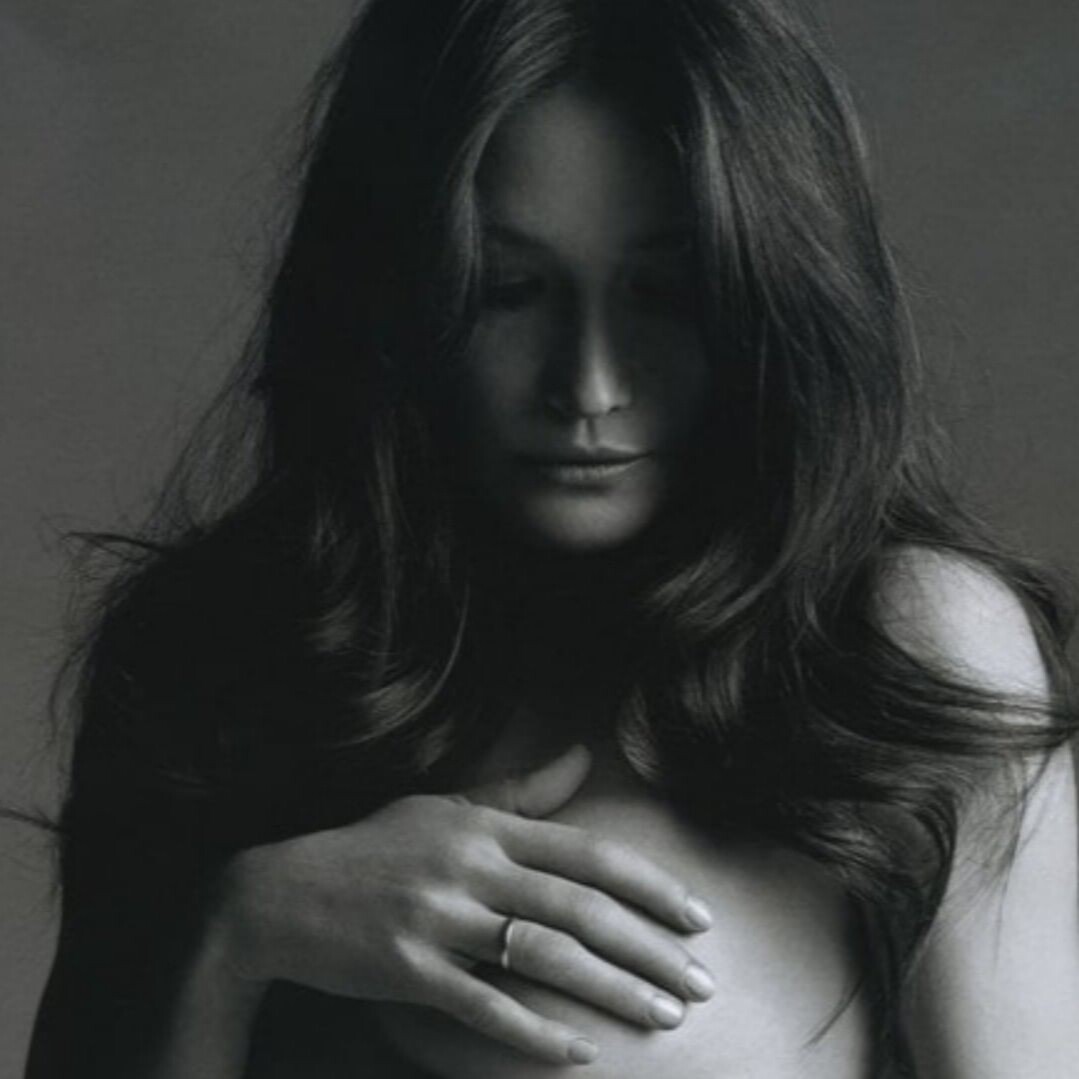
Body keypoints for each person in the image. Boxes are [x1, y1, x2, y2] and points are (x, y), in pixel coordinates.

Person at [24, 0, 1079, 1076]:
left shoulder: (897, 647)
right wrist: (236, 937)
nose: (587, 385)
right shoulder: (207, 649)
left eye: (664, 294)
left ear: (770, 301)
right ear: (396, 290)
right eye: (509, 291)